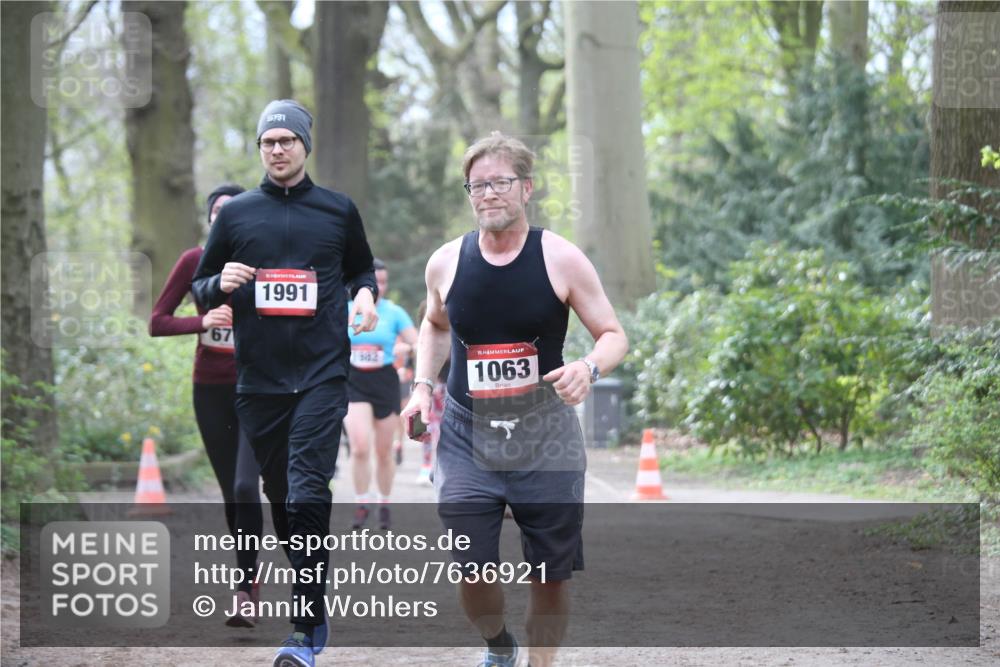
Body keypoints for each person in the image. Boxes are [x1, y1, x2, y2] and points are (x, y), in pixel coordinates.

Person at [402, 132, 628, 667]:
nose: (488, 194)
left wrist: (587, 367)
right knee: (471, 567)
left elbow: (613, 334)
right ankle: (497, 644)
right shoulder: (445, 263)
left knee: (549, 574)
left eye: (500, 182)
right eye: (477, 185)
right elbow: (434, 326)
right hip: (464, 432)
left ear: (526, 188)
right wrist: (421, 389)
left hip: (545, 436)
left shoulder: (561, 258)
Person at [191, 99, 379, 667]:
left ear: (304, 146)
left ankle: (304, 627)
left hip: (322, 373)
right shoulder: (238, 214)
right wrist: (218, 281)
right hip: (260, 380)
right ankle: (310, 603)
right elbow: (200, 285)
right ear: (260, 150)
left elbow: (362, 268)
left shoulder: (337, 210)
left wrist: (366, 295)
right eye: (267, 142)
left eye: (286, 141)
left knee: (305, 491)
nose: (277, 150)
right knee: (280, 499)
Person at [149, 183, 264, 628]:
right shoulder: (194, 261)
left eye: (235, 211)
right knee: (229, 493)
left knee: (243, 486)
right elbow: (157, 321)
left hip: (258, 389)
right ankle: (248, 578)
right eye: (219, 211)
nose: (226, 217)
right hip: (210, 389)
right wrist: (203, 319)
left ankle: (245, 586)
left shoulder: (264, 261)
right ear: (210, 219)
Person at [343, 258, 418, 531]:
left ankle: (384, 504)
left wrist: (407, 350)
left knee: (384, 451)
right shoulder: (346, 309)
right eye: (376, 281)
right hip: (354, 381)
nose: (380, 287)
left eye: (384, 282)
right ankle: (362, 503)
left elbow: (418, 341)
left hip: (384, 381)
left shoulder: (394, 312)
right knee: (360, 446)